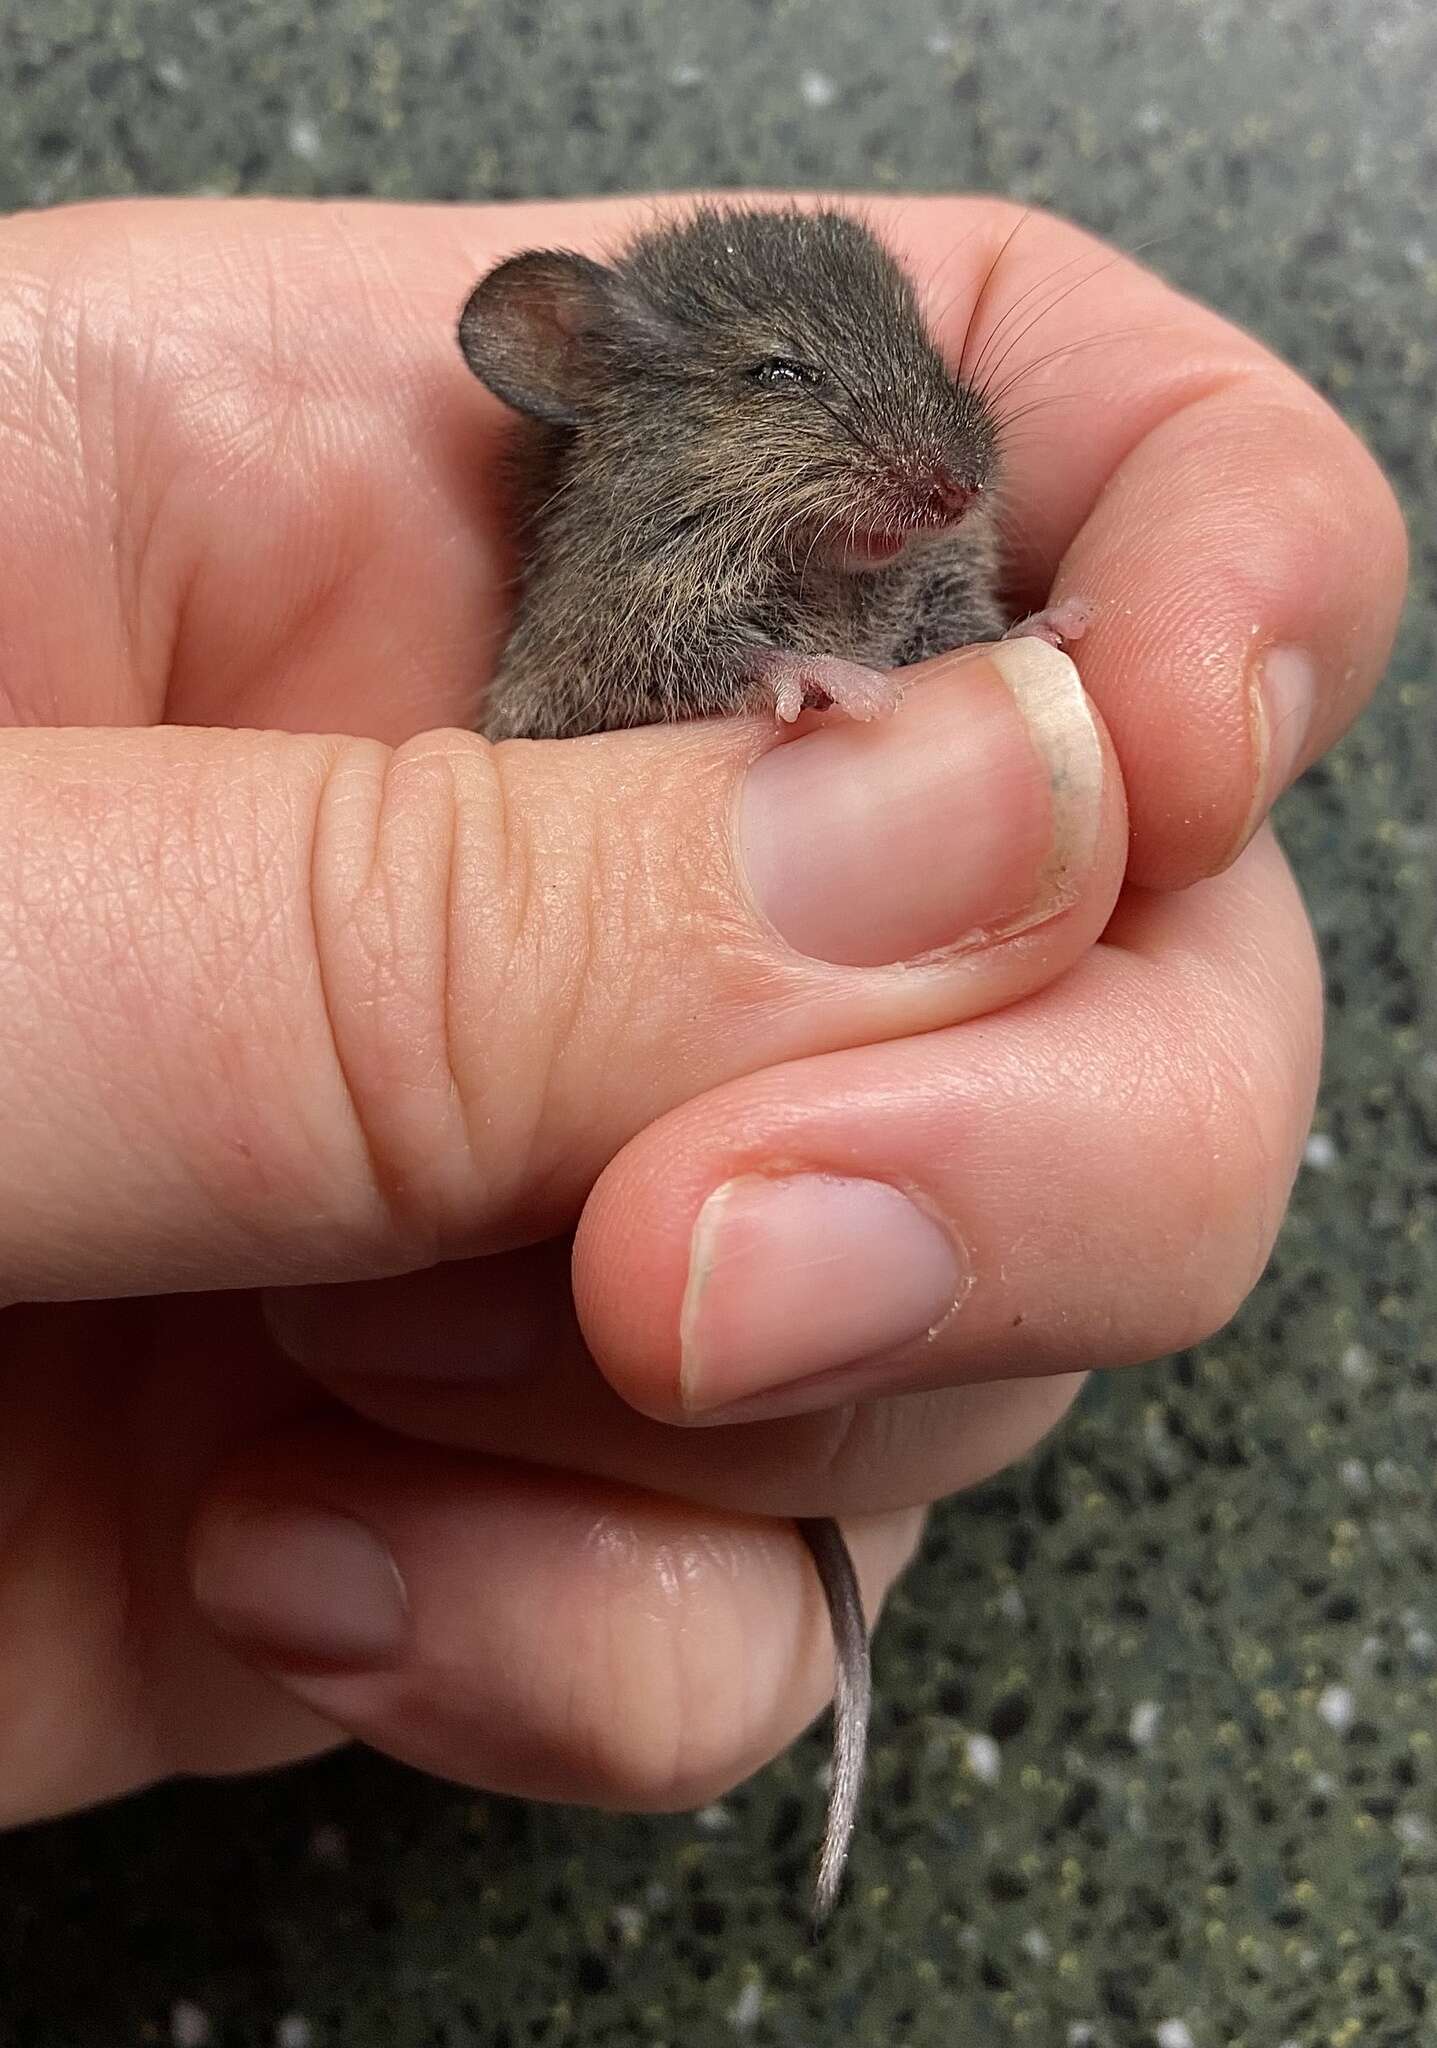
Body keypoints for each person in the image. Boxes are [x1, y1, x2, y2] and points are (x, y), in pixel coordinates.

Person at [0, 194, 1405, 1831]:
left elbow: (947, 629)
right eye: (788, 381)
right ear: (601, 394)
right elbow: (577, 695)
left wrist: (1001, 649)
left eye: (920, 367)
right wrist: (747, 699)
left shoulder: (915, 514)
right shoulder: (615, 563)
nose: (930, 455)